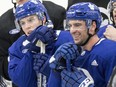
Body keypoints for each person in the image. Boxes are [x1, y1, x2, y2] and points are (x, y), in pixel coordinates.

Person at [48, 2, 116, 87]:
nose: (72, 30)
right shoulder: (68, 52)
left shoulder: (111, 53)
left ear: (92, 26)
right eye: (70, 25)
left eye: (77, 25)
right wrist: (56, 71)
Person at [8, 0, 73, 87]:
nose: (27, 26)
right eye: (22, 23)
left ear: (43, 18)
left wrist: (53, 72)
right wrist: (31, 50)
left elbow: (77, 78)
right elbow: (23, 82)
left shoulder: (66, 38)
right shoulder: (17, 47)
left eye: (31, 20)